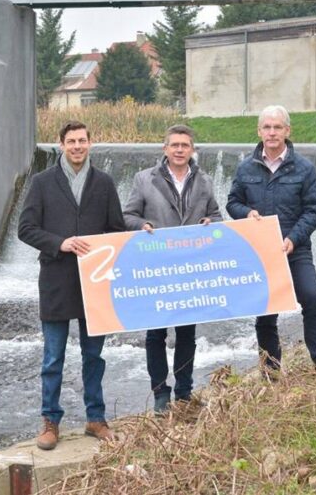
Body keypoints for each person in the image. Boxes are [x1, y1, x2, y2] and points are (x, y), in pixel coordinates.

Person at [18, 121, 125, 450]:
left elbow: (117, 231)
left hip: (95, 283)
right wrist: (60, 243)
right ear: (61, 144)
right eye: (71, 141)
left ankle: (96, 418)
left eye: (82, 140)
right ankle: (50, 421)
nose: (77, 146)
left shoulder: (104, 183)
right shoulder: (42, 182)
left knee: (94, 357)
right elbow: (26, 229)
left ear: (90, 144)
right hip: (56, 280)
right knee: (53, 357)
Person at [226, 105, 316, 375]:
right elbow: (233, 202)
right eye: (267, 127)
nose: (272, 132)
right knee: (265, 311)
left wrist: (294, 238)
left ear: (287, 131)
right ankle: (271, 370)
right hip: (261, 252)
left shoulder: (304, 168)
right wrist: (246, 212)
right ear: (259, 131)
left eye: (277, 127)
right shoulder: (246, 168)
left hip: (295, 249)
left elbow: (314, 209)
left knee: (312, 299)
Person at [122, 124, 222, 413]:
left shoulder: (204, 180)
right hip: (156, 269)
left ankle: (184, 391)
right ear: (165, 149)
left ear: (193, 150)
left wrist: (211, 223)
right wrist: (142, 225)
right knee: (155, 334)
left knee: (187, 333)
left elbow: (215, 214)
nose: (180, 150)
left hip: (190, 268)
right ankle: (159, 393)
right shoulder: (144, 180)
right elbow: (128, 215)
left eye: (185, 145)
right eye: (174, 145)